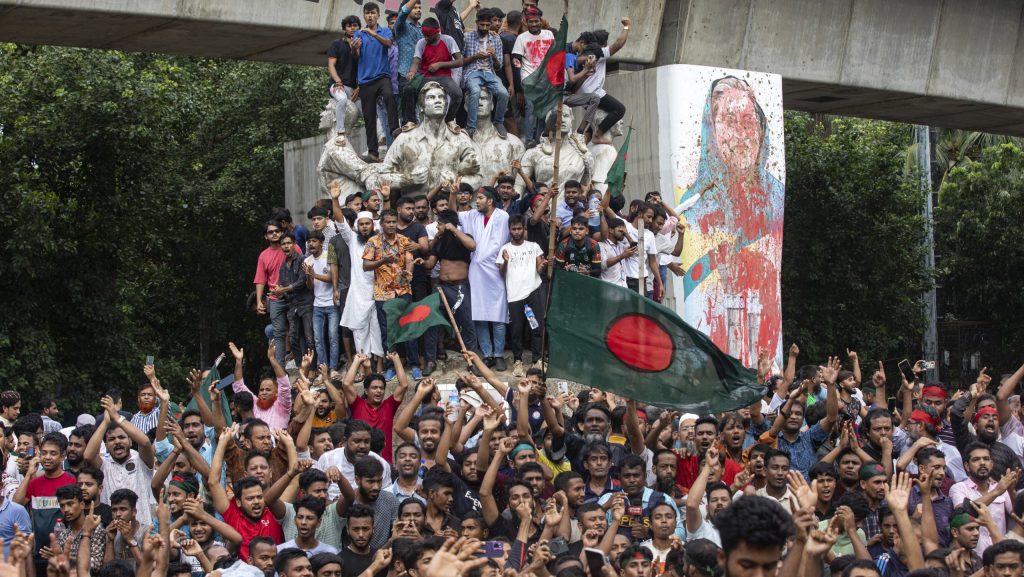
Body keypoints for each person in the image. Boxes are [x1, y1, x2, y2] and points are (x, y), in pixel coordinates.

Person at [459, 186, 510, 371]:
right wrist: (451, 193)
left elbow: (500, 243)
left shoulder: (502, 216)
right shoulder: (473, 215)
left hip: (496, 270)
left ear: (490, 200)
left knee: (498, 315)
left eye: (480, 198)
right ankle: (487, 354)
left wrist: (485, 258)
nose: (476, 201)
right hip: (477, 271)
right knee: (479, 315)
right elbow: (453, 215)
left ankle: (499, 354)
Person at [363, 208, 417, 381]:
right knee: (387, 331)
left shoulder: (404, 240)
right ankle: (390, 367)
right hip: (383, 293)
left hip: (403, 291)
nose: (392, 225)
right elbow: (366, 265)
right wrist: (383, 260)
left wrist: (409, 272)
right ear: (382, 223)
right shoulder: (373, 242)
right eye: (388, 222)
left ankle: (414, 365)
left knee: (409, 328)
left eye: (394, 222)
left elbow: (409, 259)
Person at [495, 214, 544, 376]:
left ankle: (537, 359)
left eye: (519, 228)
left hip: (533, 292)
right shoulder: (505, 249)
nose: (516, 232)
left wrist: (543, 265)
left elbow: (539, 270)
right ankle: (518, 361)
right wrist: (506, 261)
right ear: (509, 230)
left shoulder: (534, 246)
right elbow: (502, 273)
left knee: (536, 327)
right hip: (515, 295)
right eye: (513, 229)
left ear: (524, 229)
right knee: (516, 330)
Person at [354, 2, 398, 163]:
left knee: (389, 96)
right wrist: (354, 47)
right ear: (364, 15)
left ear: (378, 15)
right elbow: (356, 56)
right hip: (365, 80)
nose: (370, 16)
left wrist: (372, 34)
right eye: (367, 13)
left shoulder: (385, 31)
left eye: (373, 13)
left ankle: (395, 130)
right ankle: (373, 152)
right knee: (369, 117)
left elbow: (388, 43)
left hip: (382, 76)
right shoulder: (358, 34)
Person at [462, 9, 509, 139]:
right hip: (472, 71)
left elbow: (498, 66)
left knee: (503, 93)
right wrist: (476, 56)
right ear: (476, 23)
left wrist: (493, 56)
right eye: (482, 25)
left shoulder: (496, 39)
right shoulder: (467, 37)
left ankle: (498, 122)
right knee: (475, 91)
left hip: (489, 72)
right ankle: (471, 127)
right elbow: (460, 61)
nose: (484, 28)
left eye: (487, 25)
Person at [408, 18, 464, 125]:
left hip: (444, 77)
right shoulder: (421, 42)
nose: (426, 38)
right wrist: (412, 72)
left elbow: (460, 61)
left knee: (457, 94)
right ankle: (411, 121)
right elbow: (416, 61)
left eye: (429, 35)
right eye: (424, 35)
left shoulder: (448, 40)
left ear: (437, 32)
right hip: (425, 77)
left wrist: (440, 64)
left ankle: (449, 120)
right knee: (409, 89)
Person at [254, 221, 290, 366]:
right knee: (278, 333)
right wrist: (258, 302)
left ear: (282, 232)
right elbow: (260, 280)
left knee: (297, 331)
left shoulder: (291, 247)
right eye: (270, 232)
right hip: (275, 298)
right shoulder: (263, 256)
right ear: (266, 237)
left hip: (294, 295)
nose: (274, 233)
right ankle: (281, 369)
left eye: (277, 231)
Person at [275, 232, 314, 369]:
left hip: (306, 303)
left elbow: (302, 282)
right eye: (283, 244)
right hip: (292, 305)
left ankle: (313, 368)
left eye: (288, 243)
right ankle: (300, 368)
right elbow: (281, 287)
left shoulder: (303, 260)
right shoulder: (282, 267)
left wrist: (283, 290)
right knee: (293, 339)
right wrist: (278, 292)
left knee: (310, 338)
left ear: (294, 245)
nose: (286, 246)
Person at [303, 229, 339, 373]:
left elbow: (332, 278)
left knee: (333, 337)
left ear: (321, 242)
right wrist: (308, 276)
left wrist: (314, 274)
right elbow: (310, 286)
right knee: (318, 339)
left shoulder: (328, 256)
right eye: (309, 241)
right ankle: (322, 368)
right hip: (317, 304)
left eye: (314, 241)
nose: (311, 244)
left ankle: (334, 368)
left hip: (331, 303)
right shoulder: (307, 260)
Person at [326, 16, 362, 147]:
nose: (353, 28)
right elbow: (330, 65)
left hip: (355, 89)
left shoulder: (363, 45)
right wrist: (338, 81)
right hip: (338, 85)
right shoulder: (337, 44)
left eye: (355, 25)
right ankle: (340, 133)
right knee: (341, 100)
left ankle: (376, 147)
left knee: (370, 111)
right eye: (349, 26)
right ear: (344, 28)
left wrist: (360, 87)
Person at [394, 0, 424, 126]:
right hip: (406, 73)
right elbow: (403, 13)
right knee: (408, 92)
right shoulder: (401, 26)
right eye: (414, 7)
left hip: (423, 73)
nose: (418, 10)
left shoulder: (423, 29)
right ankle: (409, 126)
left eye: (419, 7)